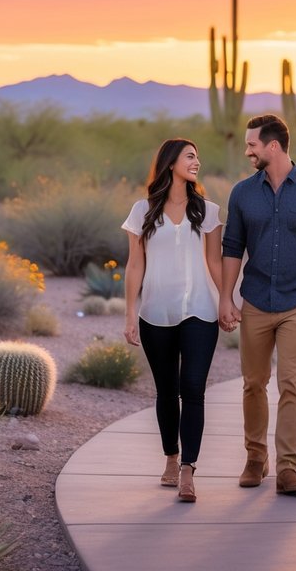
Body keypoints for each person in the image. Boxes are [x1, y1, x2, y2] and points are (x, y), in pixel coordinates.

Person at [218, 114, 296, 495]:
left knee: (292, 385)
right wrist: (226, 297)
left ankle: (288, 468)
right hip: (255, 300)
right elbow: (232, 249)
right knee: (254, 383)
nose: (247, 151)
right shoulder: (242, 193)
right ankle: (256, 458)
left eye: (252, 144)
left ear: (273, 146)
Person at [123, 138, 224, 503]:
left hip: (201, 311)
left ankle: (188, 471)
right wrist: (130, 312)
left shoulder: (208, 211)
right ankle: (170, 457)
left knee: (193, 389)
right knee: (166, 391)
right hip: (155, 312)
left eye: (198, 156)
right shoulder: (143, 211)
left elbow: (214, 262)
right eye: (190, 156)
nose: (197, 162)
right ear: (170, 163)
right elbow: (135, 265)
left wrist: (227, 300)